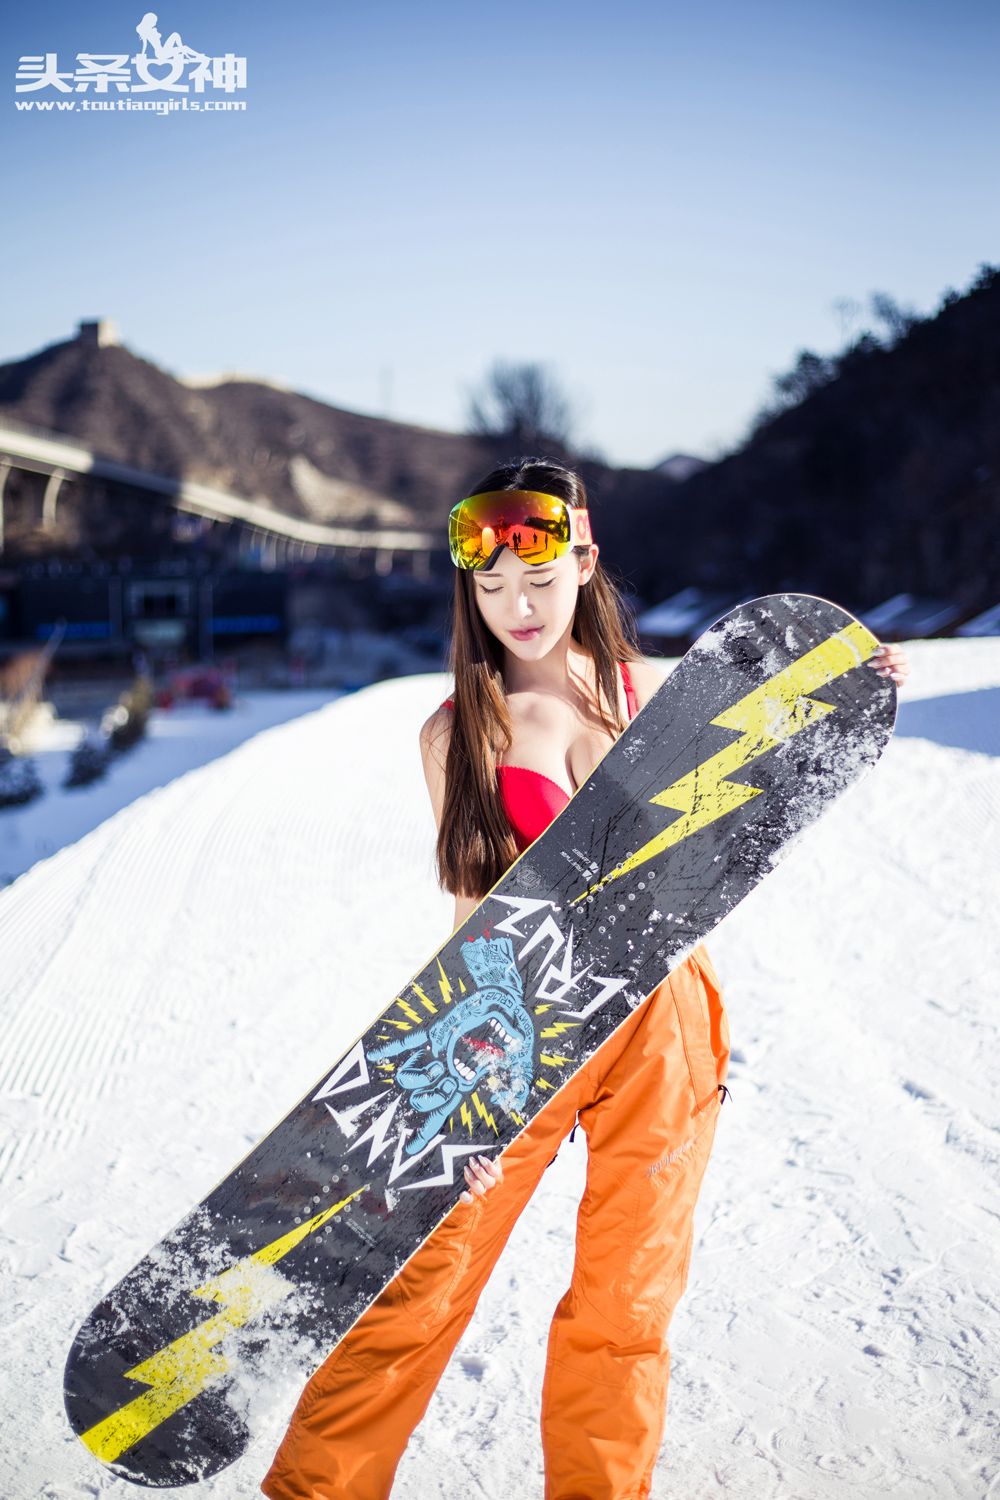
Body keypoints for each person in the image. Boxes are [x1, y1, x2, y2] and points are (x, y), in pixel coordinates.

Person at [262, 457, 910, 1500]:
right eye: (491, 588)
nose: (517, 606)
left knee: (627, 1308)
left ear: (585, 561)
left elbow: (736, 827)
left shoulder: (649, 700)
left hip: (663, 1025)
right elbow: (474, 925)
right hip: (520, 1022)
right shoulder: (456, 733)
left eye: (539, 579)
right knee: (416, 1287)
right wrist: (454, 1109)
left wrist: (844, 695)